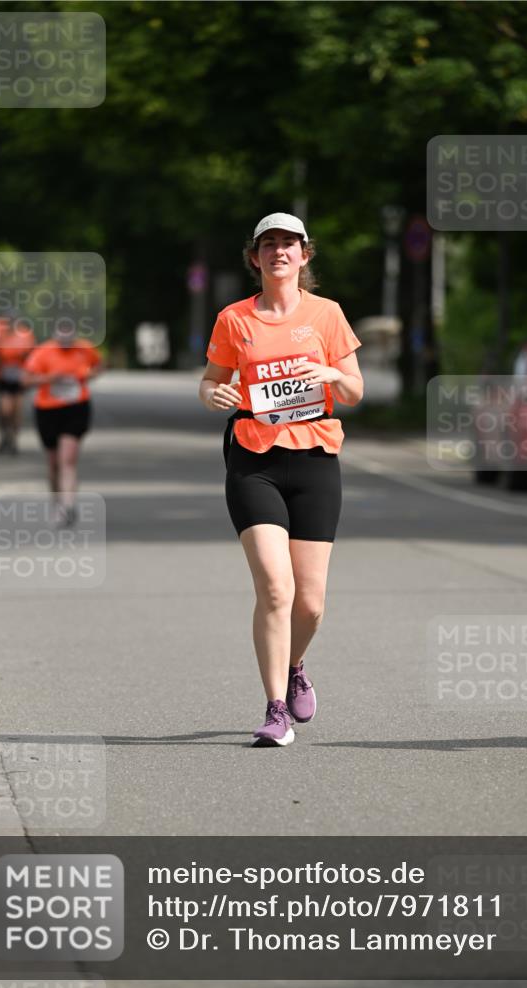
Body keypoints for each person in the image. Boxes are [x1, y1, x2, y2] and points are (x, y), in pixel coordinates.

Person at [199, 213, 363, 747]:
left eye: (289, 243)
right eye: (268, 244)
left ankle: (294, 666)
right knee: (275, 587)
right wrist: (215, 395)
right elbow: (210, 382)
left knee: (309, 604)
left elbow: (355, 390)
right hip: (254, 460)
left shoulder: (326, 314)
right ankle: (275, 710)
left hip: (315, 459)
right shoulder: (234, 319)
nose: (279, 251)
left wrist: (333, 374)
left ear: (304, 255)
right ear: (255, 257)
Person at [22, 321, 103, 526]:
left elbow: (99, 365)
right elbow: (26, 381)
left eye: (70, 336)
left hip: (76, 407)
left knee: (68, 459)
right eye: (62, 336)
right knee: (54, 463)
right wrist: (50, 378)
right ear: (55, 335)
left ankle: (68, 506)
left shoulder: (84, 349)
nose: (66, 340)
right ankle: (57, 502)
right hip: (48, 410)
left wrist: (87, 376)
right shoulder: (42, 352)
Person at [0, 313, 36, 455]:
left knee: (17, 410)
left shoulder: (25, 335)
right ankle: (4, 433)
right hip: (4, 376)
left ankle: (14, 438)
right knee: (4, 410)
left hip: (19, 377)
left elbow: (31, 355)